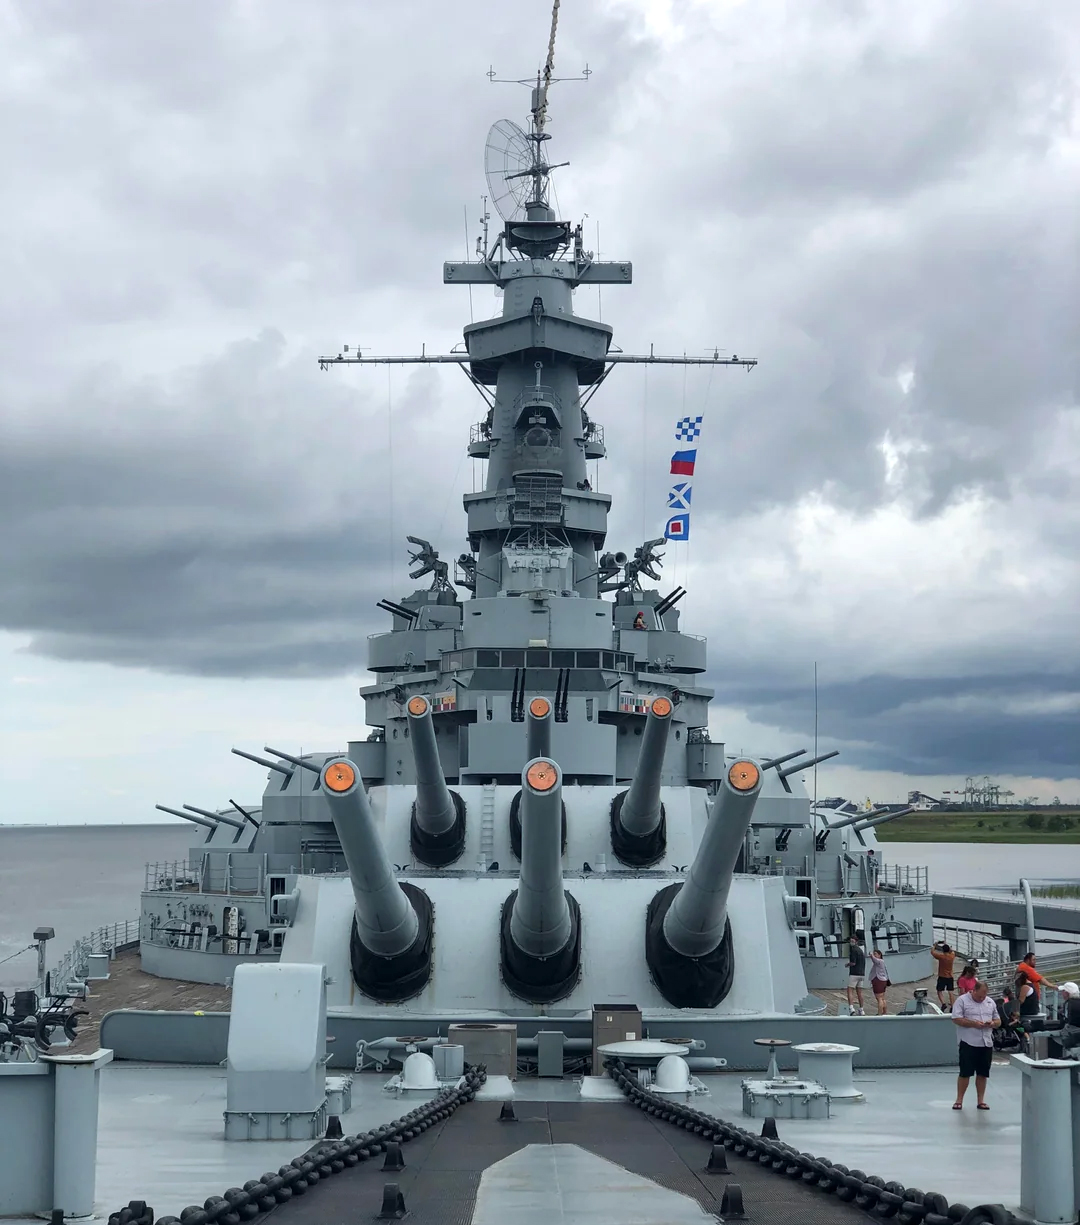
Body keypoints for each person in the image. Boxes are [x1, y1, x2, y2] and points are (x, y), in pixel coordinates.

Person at [952, 981, 1001, 1110]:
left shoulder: (990, 1002)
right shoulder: (962, 1001)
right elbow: (956, 1018)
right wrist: (973, 1024)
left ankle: (981, 1100)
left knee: (983, 1073)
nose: (982, 999)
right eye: (979, 996)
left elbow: (998, 1021)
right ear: (974, 990)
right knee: (965, 1072)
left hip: (986, 1042)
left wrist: (992, 1023)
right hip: (968, 1041)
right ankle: (959, 1100)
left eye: (984, 996)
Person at [1015, 952, 1057, 1017]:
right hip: (1029, 1002)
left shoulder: (1022, 966)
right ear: (1028, 960)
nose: (1035, 962)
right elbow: (1040, 979)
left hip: (1030, 1001)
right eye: (1033, 960)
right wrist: (1052, 986)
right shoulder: (1025, 968)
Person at [931, 941, 957, 1008]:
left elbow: (932, 952)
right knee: (950, 992)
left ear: (942, 950)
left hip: (942, 976)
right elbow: (952, 951)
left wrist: (935, 945)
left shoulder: (941, 956)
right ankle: (952, 1006)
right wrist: (946, 944)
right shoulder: (952, 956)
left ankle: (943, 1003)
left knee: (939, 991)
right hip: (950, 976)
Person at [847, 936, 866, 1015]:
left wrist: (847, 964)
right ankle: (861, 1009)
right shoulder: (861, 951)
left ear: (855, 942)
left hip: (854, 973)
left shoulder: (853, 950)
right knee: (859, 993)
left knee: (850, 990)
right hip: (862, 974)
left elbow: (853, 963)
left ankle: (851, 1008)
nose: (851, 942)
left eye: (852, 941)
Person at [868, 949, 890, 1014]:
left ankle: (879, 1013)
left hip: (878, 981)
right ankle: (884, 1012)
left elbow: (874, 960)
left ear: (879, 955)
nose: (874, 955)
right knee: (882, 998)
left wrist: (871, 954)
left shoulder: (879, 961)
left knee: (879, 998)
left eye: (875, 954)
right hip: (883, 981)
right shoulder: (881, 962)